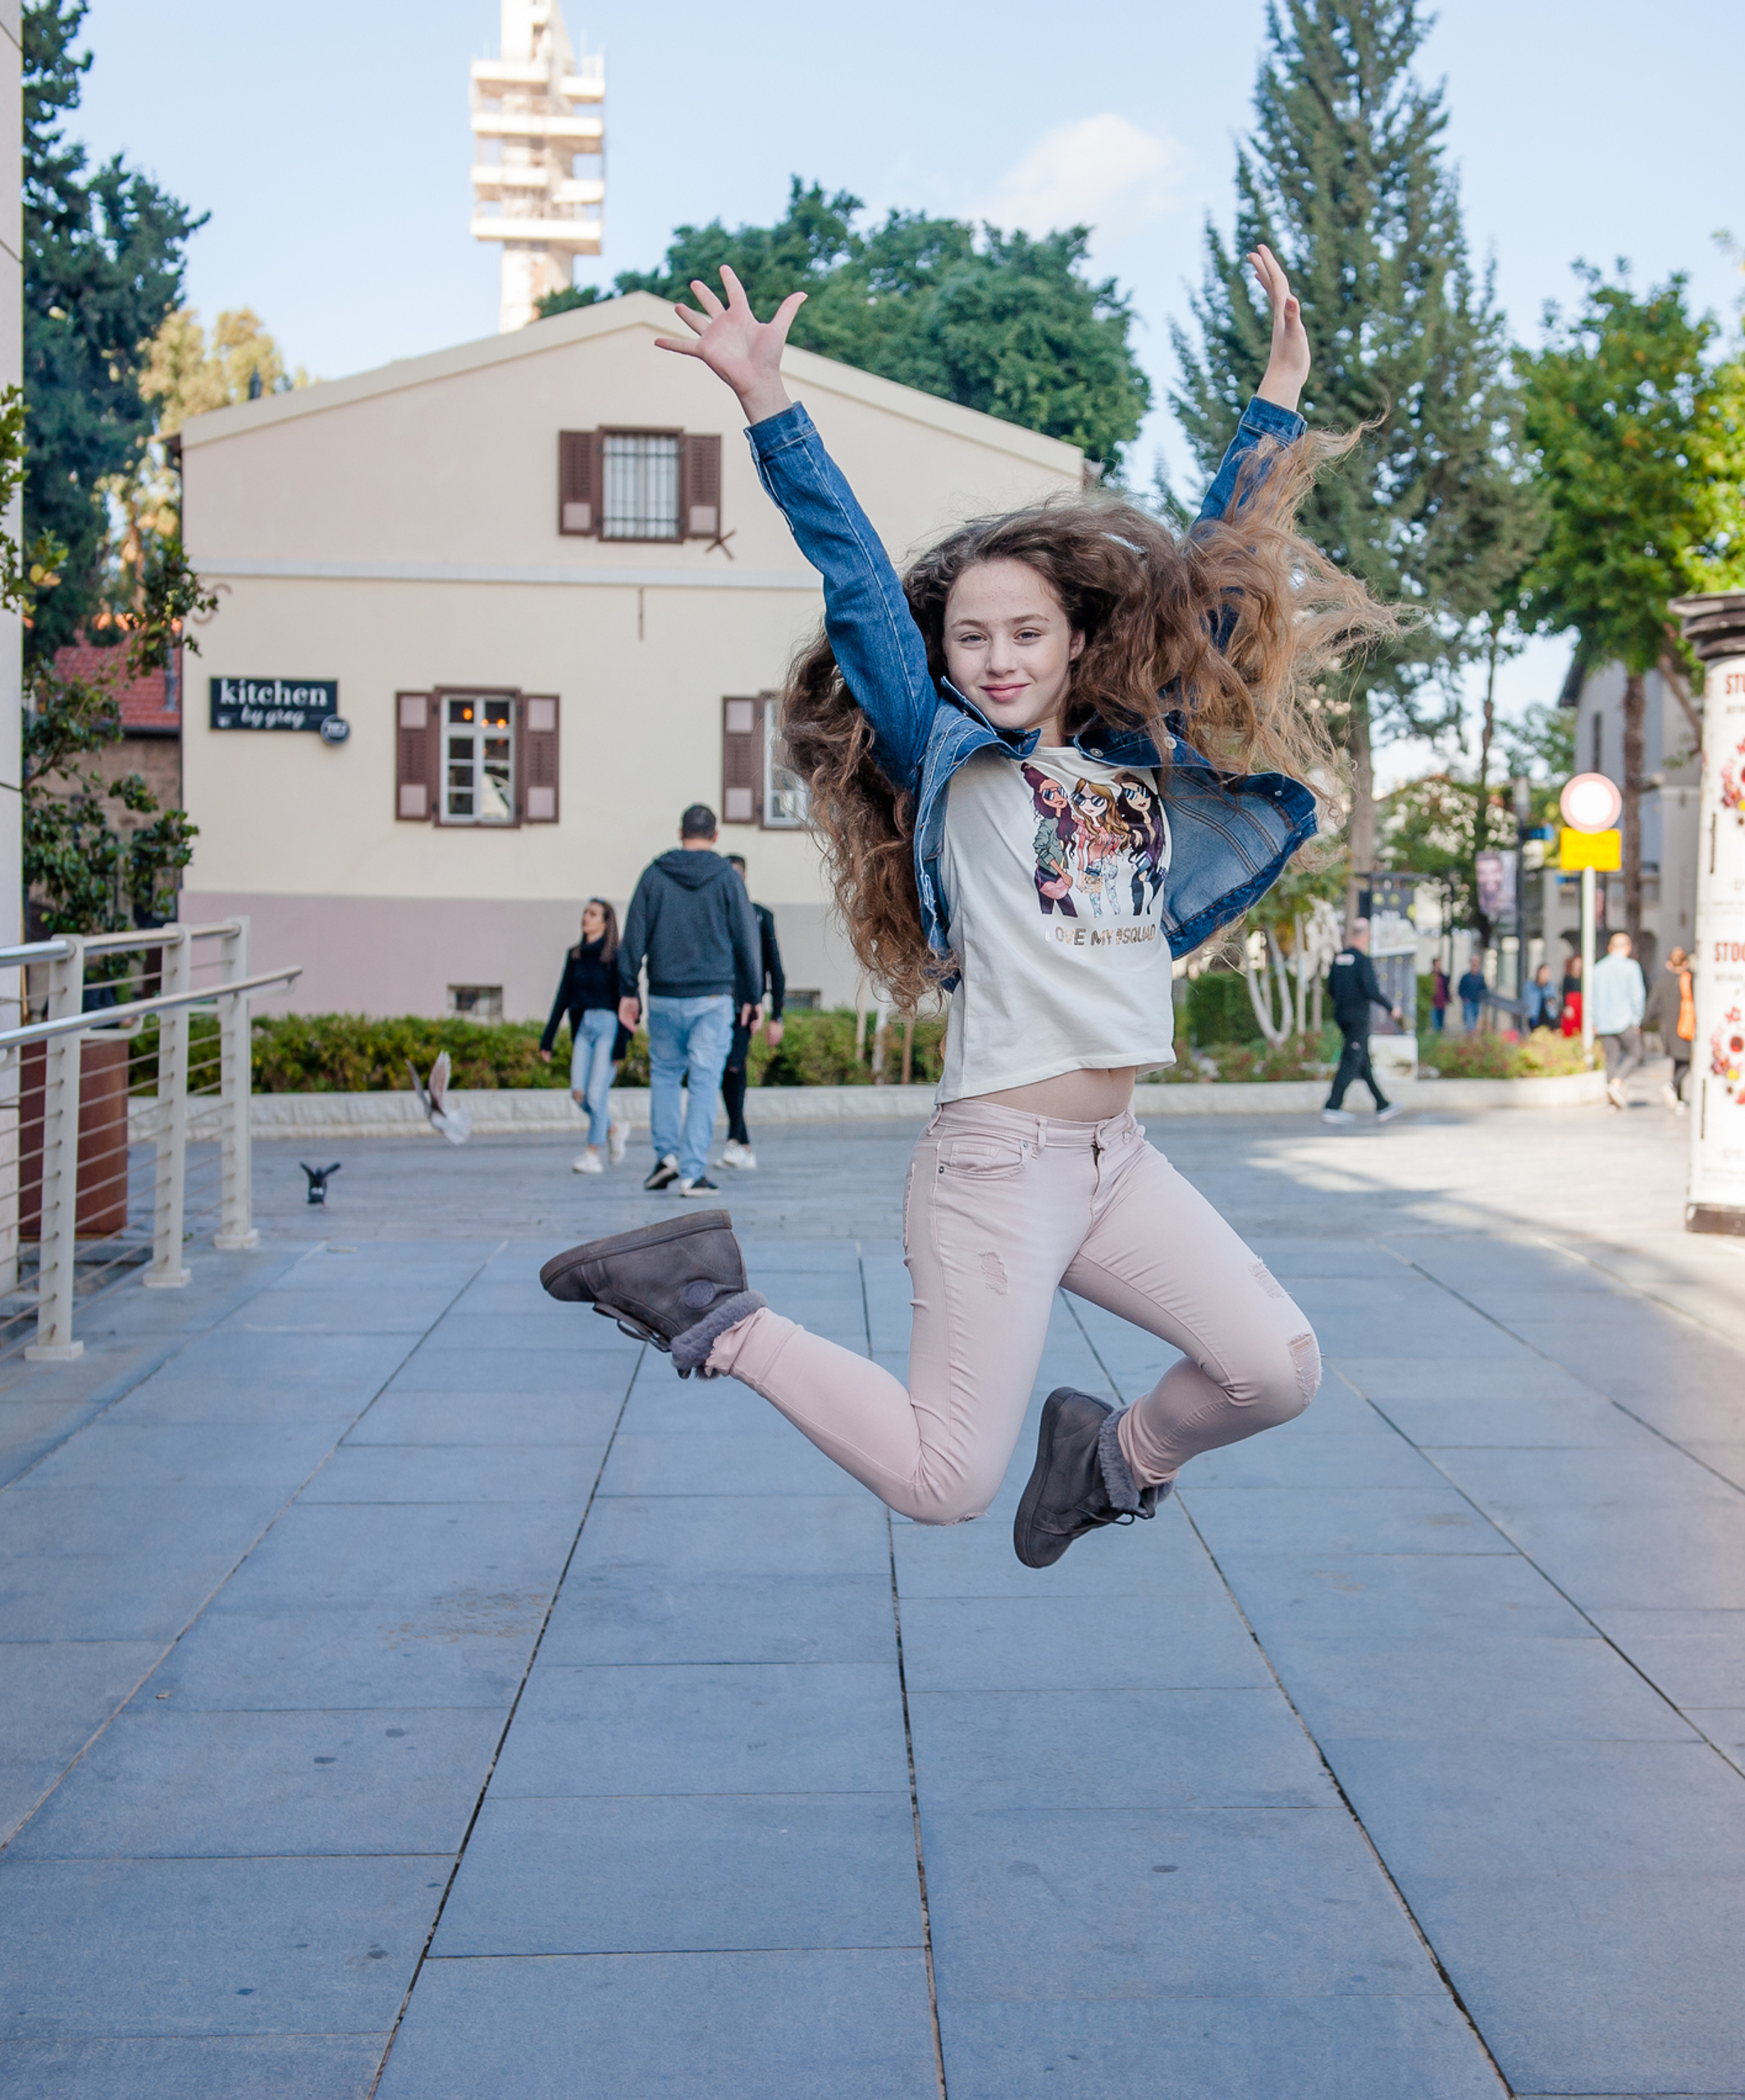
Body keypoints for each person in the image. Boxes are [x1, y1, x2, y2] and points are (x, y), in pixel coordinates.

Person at [540, 246, 1398, 1569]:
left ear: (1075, 643)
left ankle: (1110, 1460)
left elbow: (1213, 582)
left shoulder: (1126, 761)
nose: (998, 659)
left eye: (1028, 635)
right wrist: (770, 408)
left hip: (1120, 1163)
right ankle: (711, 1304)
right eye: (974, 639)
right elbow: (859, 580)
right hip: (1000, 1166)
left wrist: (1274, 407)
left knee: (1276, 1368)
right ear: (944, 660)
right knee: (943, 1481)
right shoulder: (953, 762)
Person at [618, 803, 763, 1196]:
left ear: (680, 832)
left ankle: (666, 1158)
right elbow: (747, 937)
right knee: (703, 1083)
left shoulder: (654, 874)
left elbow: (632, 936)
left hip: (664, 995)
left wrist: (628, 990)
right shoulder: (726, 878)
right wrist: (753, 994)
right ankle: (692, 1172)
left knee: (664, 1076)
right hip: (713, 997)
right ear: (715, 836)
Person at [539, 898, 631, 1174]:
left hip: (609, 1026)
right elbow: (563, 997)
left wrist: (621, 1046)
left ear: (605, 922)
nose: (586, 918)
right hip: (584, 1028)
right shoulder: (575, 955)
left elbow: (628, 1002)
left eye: (593, 914)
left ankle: (592, 1154)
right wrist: (548, 1038)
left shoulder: (616, 956)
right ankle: (614, 1128)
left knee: (595, 1095)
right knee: (579, 1094)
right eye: (585, 913)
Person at [718, 854, 787, 1171]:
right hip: (719, 1006)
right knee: (725, 1073)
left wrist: (778, 1016)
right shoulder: (716, 916)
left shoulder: (760, 917)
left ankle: (737, 1141)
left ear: (743, 878)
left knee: (733, 1067)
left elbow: (776, 970)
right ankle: (741, 1143)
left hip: (747, 1009)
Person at [1322, 917, 1402, 1126]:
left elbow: (1330, 988)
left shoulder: (1339, 958)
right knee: (1351, 1061)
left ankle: (1382, 1104)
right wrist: (1391, 1008)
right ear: (1366, 936)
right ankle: (1332, 1106)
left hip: (1342, 1016)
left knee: (1362, 1060)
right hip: (1357, 1018)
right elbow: (1371, 991)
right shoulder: (1362, 961)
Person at [1590, 929, 1647, 1108]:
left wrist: (1594, 1021)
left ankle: (1612, 1100)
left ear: (1610, 947)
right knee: (1635, 1053)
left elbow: (1593, 998)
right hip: (1623, 1020)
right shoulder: (1631, 967)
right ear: (1627, 948)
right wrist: (1637, 1020)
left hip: (1605, 1022)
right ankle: (1617, 1082)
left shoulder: (1598, 968)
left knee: (1612, 1059)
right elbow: (1637, 996)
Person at [1647, 943, 1695, 1112]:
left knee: (1678, 1061)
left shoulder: (1662, 981)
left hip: (1669, 1029)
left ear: (1668, 964)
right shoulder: (1691, 980)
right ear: (1685, 963)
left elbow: (1652, 1006)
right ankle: (1673, 1086)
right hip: (1687, 1028)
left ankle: (1679, 1097)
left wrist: (1644, 1024)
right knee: (1688, 1061)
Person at [1457, 956, 1487, 1033]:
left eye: (1476, 962)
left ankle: (1473, 1040)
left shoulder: (1480, 977)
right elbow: (1460, 989)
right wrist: (1464, 998)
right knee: (1470, 1023)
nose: (1475, 964)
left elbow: (1484, 988)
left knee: (1476, 1022)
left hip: (1478, 1002)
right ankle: (1470, 1038)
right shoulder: (1465, 977)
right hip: (1468, 1003)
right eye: (1473, 962)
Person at [1524, 961, 1556, 1032]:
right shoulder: (1530, 986)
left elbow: (1552, 1001)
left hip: (1548, 1017)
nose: (1545, 976)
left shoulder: (1551, 986)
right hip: (1534, 1017)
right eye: (1543, 973)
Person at [1559, 952, 1583, 1039]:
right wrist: (1565, 1007)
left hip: (1581, 1003)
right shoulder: (1567, 978)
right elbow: (1564, 994)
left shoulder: (1584, 978)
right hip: (1571, 1004)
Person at [1430, 961, 1450, 1033]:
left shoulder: (1443, 977)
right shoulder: (1430, 976)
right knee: (1434, 1022)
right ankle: (1436, 1035)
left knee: (1441, 1022)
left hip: (1442, 1002)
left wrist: (1447, 999)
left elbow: (1446, 988)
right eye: (1437, 965)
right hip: (1433, 1002)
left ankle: (1440, 1035)